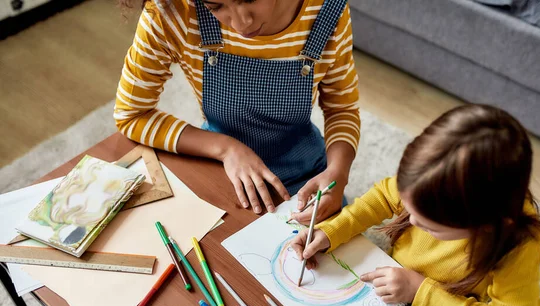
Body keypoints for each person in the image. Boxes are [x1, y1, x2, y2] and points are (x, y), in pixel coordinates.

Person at [291, 104, 540, 306]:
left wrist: (419, 291)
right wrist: (332, 231)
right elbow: (382, 197)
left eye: (431, 227)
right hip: (398, 287)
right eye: (408, 207)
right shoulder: (428, 180)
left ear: (484, 226)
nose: (412, 222)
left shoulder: (518, 248)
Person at [115, 0, 360, 223]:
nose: (242, 23)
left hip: (305, 175)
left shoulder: (327, 12)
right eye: (215, 7)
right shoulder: (173, 13)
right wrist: (226, 148)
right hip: (220, 172)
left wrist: (338, 173)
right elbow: (132, 114)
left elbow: (342, 109)